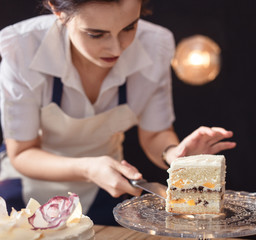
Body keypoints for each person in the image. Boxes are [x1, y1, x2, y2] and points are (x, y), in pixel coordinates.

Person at [0, 0, 236, 225]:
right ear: (57, 9)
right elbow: (22, 153)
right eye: (96, 34)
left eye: (129, 27)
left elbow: (155, 135)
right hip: (24, 189)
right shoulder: (22, 48)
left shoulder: (155, 45)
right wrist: (89, 169)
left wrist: (175, 154)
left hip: (105, 190)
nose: (117, 47)